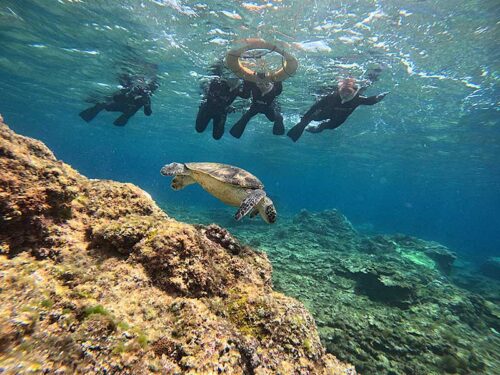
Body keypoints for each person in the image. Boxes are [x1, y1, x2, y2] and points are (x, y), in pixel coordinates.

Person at [287, 77, 388, 142]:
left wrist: (377, 98)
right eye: (343, 90)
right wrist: (304, 119)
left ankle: (319, 128)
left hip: (339, 119)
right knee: (313, 117)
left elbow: (369, 101)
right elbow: (315, 107)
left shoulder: (358, 99)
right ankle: (305, 125)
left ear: (354, 91)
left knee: (329, 126)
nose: (344, 94)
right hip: (325, 113)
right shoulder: (331, 96)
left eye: (348, 91)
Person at [79, 74, 159, 126]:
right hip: (118, 104)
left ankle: (95, 104)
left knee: (128, 112)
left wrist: (147, 104)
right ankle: (92, 105)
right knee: (102, 104)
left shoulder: (146, 98)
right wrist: (130, 93)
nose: (148, 91)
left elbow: (148, 113)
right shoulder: (134, 89)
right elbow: (116, 97)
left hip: (126, 111)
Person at [196, 75, 241, 140]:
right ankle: (203, 106)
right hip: (208, 108)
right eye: (232, 80)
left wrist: (229, 107)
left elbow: (246, 96)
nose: (233, 83)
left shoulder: (237, 89)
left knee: (217, 136)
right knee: (199, 129)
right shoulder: (216, 83)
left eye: (236, 81)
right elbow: (204, 85)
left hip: (221, 112)